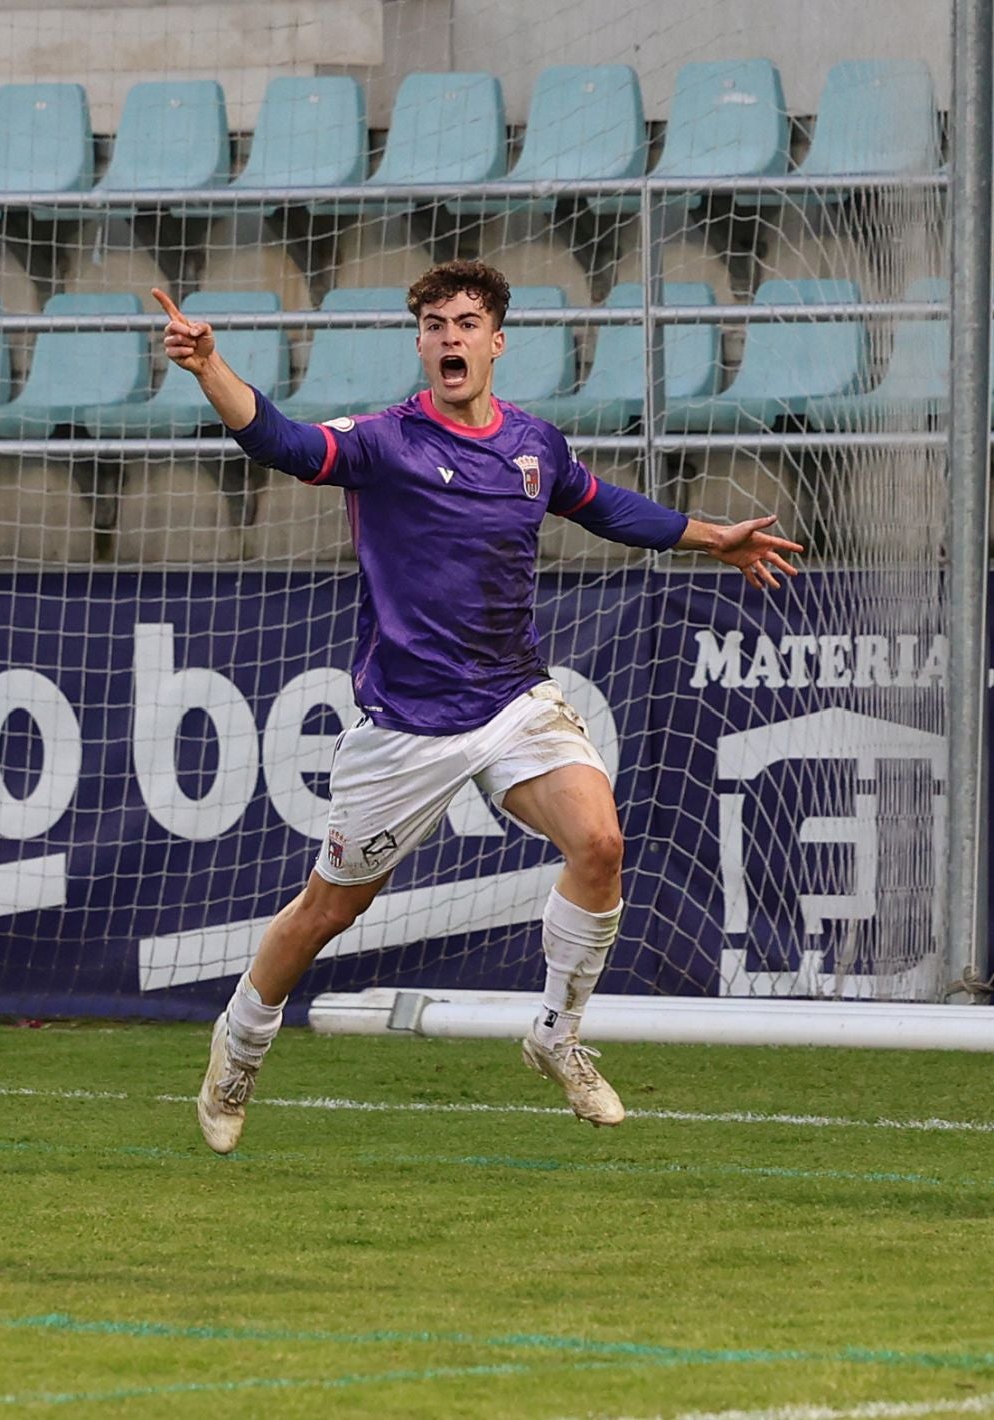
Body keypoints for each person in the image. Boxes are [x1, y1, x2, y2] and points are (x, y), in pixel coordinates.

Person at [155, 262, 802, 1153]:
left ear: (497, 341)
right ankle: (238, 1046)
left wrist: (708, 536)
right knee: (327, 913)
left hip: (512, 702)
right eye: (433, 324)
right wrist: (210, 371)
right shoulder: (388, 442)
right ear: (419, 343)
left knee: (601, 843)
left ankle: (556, 1033)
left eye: (465, 323)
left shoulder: (533, 443)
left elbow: (600, 505)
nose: (449, 337)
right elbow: (287, 445)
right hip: (409, 729)